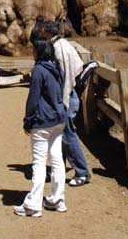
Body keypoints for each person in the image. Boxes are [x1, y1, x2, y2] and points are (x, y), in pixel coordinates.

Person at [14, 39, 67, 218]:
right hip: (59, 119)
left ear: (39, 53)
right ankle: (57, 199)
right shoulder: (58, 69)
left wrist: (27, 120)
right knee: (57, 159)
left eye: (34, 50)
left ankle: (33, 205)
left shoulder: (38, 70)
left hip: (43, 121)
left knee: (39, 162)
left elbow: (33, 99)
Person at [39, 20, 91, 186]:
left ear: (46, 32)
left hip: (67, 96)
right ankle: (57, 169)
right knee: (58, 135)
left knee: (68, 135)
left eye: (41, 30)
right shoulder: (62, 45)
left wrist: (63, 102)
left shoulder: (59, 48)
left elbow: (67, 76)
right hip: (66, 96)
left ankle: (82, 172)